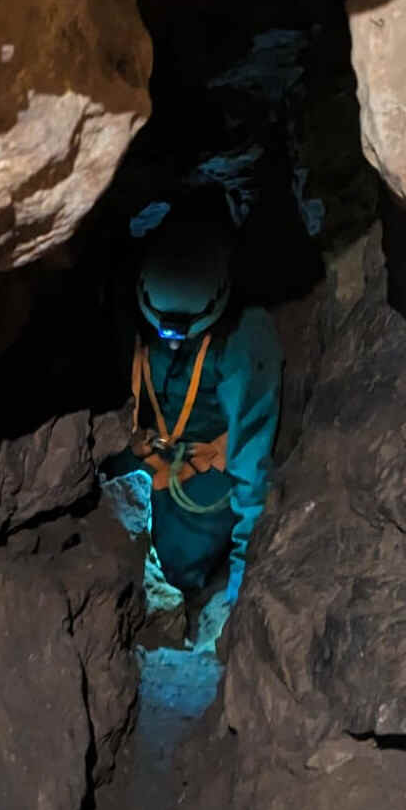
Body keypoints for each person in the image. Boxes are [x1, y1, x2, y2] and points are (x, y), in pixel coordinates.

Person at [105, 197, 283, 643]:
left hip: (205, 466)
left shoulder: (244, 337)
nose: (171, 340)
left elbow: (252, 459)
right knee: (105, 538)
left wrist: (242, 581)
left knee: (175, 561)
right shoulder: (127, 311)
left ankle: (192, 596)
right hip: (148, 451)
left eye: (185, 329)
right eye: (162, 327)